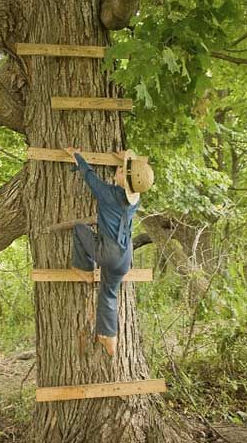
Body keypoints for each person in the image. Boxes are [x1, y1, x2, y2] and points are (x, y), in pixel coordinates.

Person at [64, 147, 154, 356]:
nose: (119, 170)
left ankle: (84, 269)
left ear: (125, 180)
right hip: (124, 257)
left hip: (108, 252)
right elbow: (131, 181)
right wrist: (127, 161)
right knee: (108, 294)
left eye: (122, 170)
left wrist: (76, 155)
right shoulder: (135, 200)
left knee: (79, 229)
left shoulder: (109, 195)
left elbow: (90, 177)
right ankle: (109, 337)